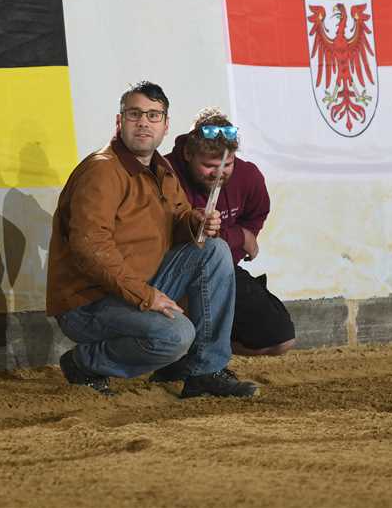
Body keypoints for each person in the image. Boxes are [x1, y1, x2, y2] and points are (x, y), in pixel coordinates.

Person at [46, 82, 257, 398]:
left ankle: (205, 370)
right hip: (89, 303)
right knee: (176, 335)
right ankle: (84, 363)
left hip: (137, 287)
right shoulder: (101, 171)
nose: (144, 122)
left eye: (153, 115)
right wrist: (146, 296)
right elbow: (91, 249)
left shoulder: (161, 168)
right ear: (120, 121)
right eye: (135, 114)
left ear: (166, 125)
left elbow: (179, 218)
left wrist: (195, 221)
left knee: (215, 249)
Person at [166, 108, 296, 358]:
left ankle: (197, 355)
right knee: (183, 323)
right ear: (188, 154)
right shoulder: (166, 173)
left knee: (280, 338)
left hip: (223, 269)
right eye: (209, 165)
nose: (219, 173)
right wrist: (239, 237)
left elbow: (255, 215)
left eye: (227, 164)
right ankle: (195, 359)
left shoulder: (248, 176)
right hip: (171, 272)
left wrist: (236, 237)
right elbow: (170, 238)